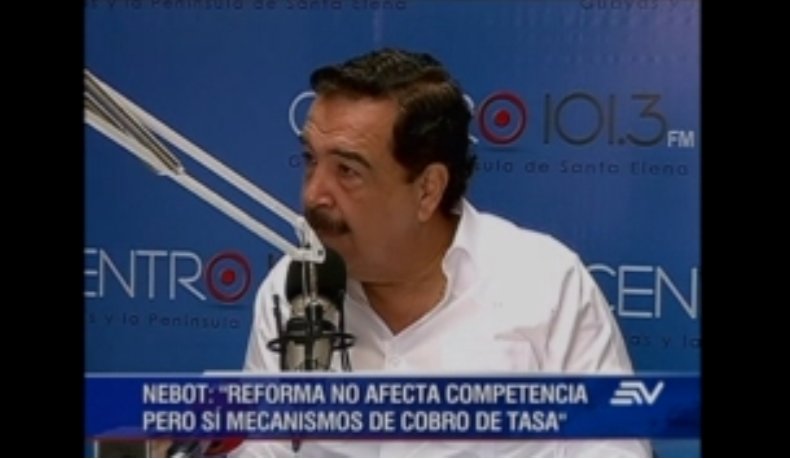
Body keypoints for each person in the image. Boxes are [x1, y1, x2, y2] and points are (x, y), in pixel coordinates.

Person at [231, 48, 650, 457]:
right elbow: (265, 446)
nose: (313, 194)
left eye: (347, 171)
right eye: (310, 160)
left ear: (428, 190)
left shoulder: (547, 284)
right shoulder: (291, 288)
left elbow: (614, 447)